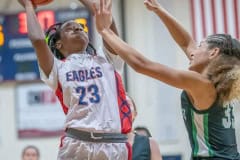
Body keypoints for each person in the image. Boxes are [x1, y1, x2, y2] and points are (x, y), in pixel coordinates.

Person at [93, 0, 240, 159]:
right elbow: (186, 42)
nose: (193, 51)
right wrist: (159, 10)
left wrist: (104, 31)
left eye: (200, 46)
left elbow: (142, 65)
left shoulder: (201, 83)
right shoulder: (218, 83)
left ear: (213, 53)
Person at [17, 0, 132, 159]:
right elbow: (37, 40)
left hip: (113, 144)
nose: (77, 28)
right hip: (77, 142)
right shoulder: (57, 68)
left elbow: (105, 22)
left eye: (81, 27)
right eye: (70, 28)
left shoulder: (106, 58)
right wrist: (29, 6)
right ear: (58, 44)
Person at [126, 95, 162, 160]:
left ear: (135, 114)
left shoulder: (150, 143)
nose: (123, 107)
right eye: (119, 105)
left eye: (127, 104)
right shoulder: (106, 144)